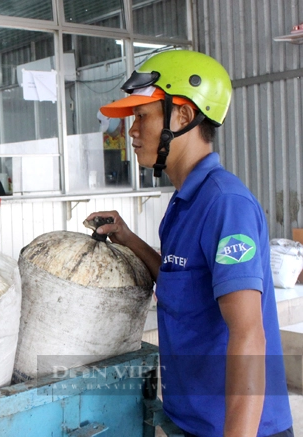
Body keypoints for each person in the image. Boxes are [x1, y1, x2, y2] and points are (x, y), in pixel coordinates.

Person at [87, 50, 293, 437]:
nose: (131, 130)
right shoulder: (184, 203)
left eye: (142, 116)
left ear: (182, 116)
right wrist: (128, 238)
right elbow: (182, 285)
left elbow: (249, 334)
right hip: (191, 421)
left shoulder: (225, 204)